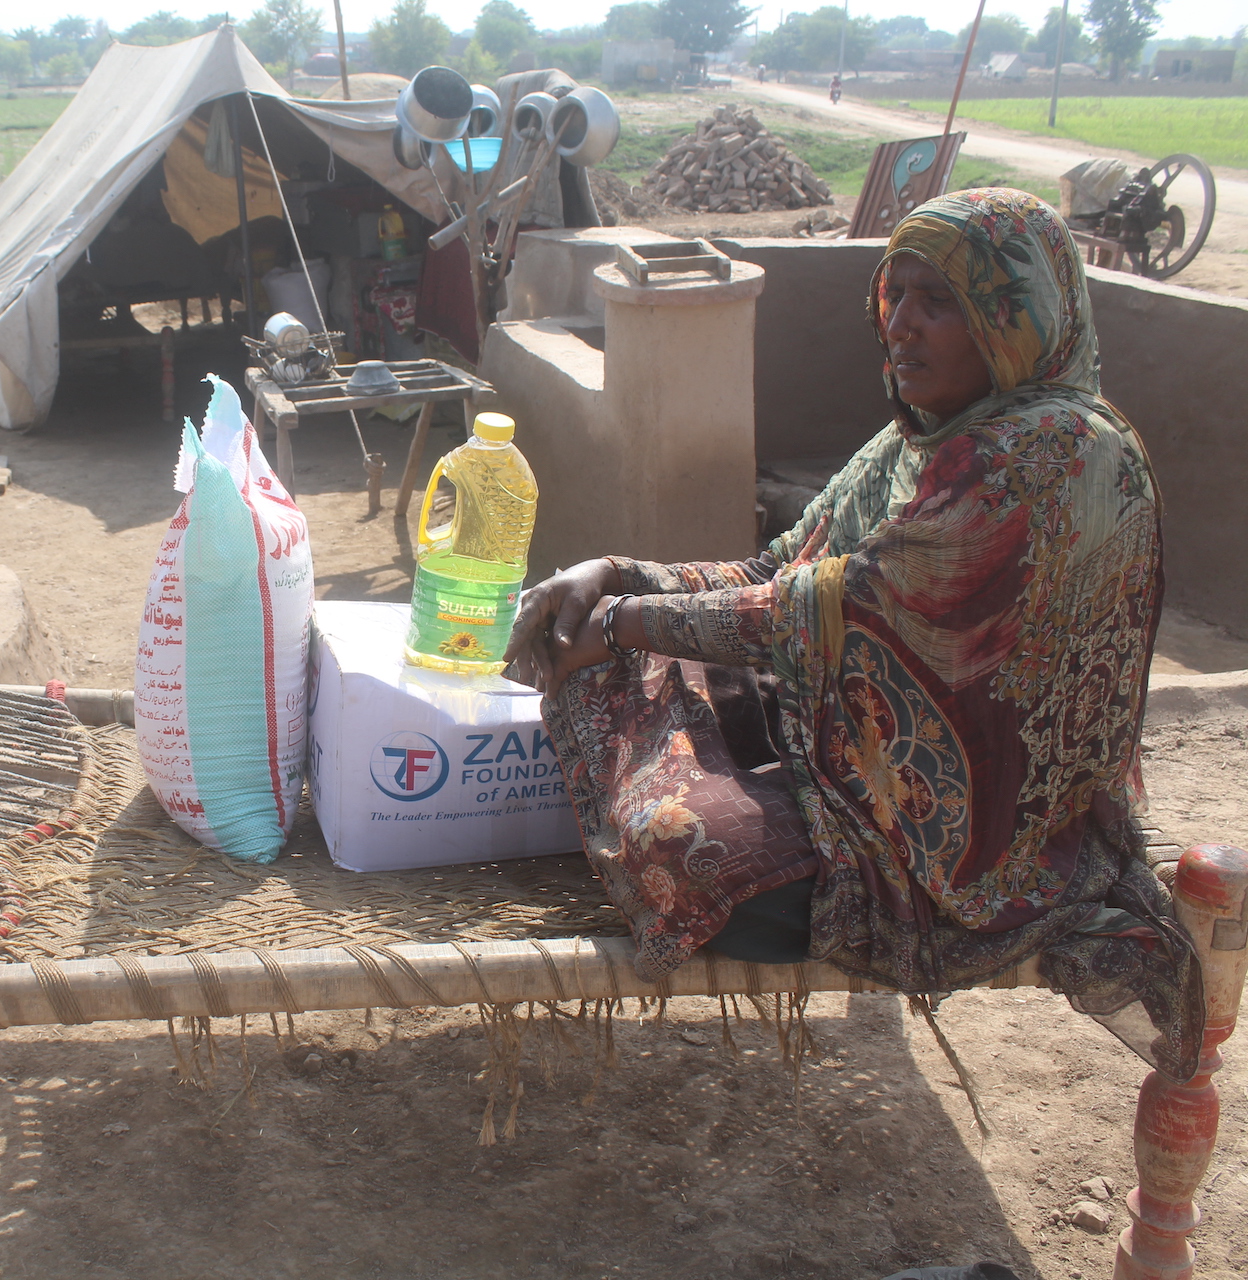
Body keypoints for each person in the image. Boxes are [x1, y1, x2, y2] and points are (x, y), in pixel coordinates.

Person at [503, 188, 1203, 1082]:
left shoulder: (1052, 454)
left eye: (937, 302)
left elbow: (833, 605)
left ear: (1016, 315)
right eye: (895, 295)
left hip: (958, 851)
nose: (901, 326)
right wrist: (618, 575)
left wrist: (626, 621)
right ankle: (657, 755)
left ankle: (654, 786)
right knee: (621, 659)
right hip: (854, 747)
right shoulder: (921, 440)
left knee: (681, 842)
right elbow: (776, 575)